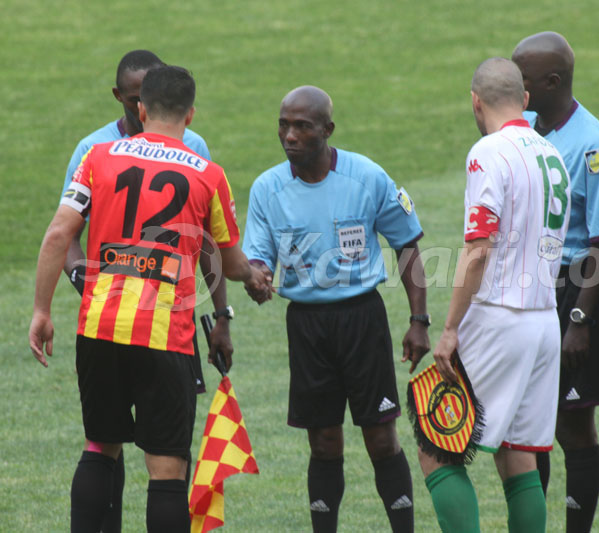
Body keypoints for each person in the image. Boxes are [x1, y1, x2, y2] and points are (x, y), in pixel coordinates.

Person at [29, 65, 269, 532]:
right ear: (191, 115)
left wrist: (41, 309)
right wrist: (255, 278)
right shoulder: (208, 173)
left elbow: (59, 232)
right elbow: (229, 261)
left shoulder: (97, 157)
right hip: (166, 337)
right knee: (166, 468)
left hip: (99, 326)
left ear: (140, 108)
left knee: (99, 446)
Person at [242, 85, 430, 533]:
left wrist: (418, 321)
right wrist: (257, 278)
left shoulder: (366, 177)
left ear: (327, 130)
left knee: (381, 437)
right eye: (284, 125)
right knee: (324, 442)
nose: (289, 135)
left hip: (362, 319)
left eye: (302, 126)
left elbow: (407, 247)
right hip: (306, 326)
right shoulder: (268, 188)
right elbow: (256, 257)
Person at [419, 57, 570, 533]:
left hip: (499, 317)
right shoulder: (554, 154)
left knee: (436, 449)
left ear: (475, 101)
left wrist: (448, 330)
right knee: (518, 454)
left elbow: (479, 249)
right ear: (525, 101)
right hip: (544, 322)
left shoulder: (488, 151)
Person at [512, 32, 599, 532]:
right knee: (533, 423)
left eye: (524, 80)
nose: (516, 87)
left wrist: (580, 320)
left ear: (551, 82)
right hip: (532, 291)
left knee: (574, 424)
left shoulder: (591, 144)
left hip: (577, 289)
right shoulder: (525, 132)